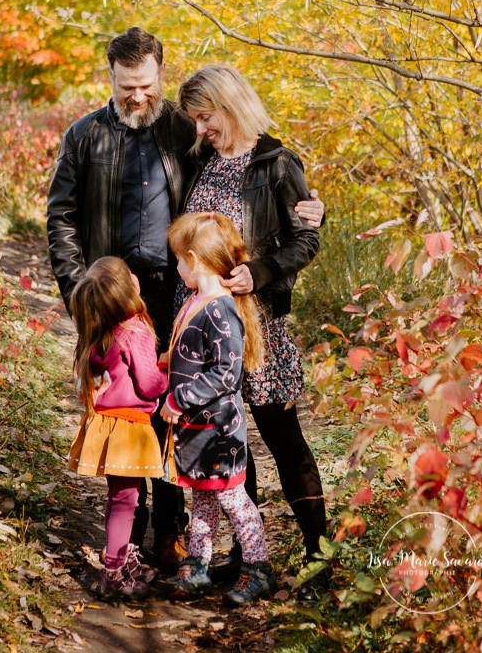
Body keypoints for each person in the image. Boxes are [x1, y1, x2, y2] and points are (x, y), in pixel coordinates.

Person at [47, 27, 324, 566]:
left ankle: (246, 546)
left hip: (225, 309)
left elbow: (276, 201)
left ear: (161, 75)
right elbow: (60, 217)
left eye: (147, 85)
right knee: (151, 414)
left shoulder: (186, 132)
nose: (137, 96)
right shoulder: (87, 136)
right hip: (137, 303)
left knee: (247, 431)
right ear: (109, 77)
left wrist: (310, 213)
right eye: (127, 86)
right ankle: (145, 540)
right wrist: (81, 296)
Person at [176, 65, 328, 601]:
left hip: (258, 327)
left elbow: (304, 241)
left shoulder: (278, 163)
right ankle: (248, 559)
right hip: (205, 331)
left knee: (285, 442)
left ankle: (318, 559)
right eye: (194, 119)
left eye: (205, 116)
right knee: (228, 443)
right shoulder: (203, 160)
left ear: (230, 104)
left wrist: (257, 273)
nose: (200, 129)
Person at [160, 212, 277, 607]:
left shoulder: (220, 309)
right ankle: (198, 565)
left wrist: (179, 398)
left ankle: (258, 568)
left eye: (178, 260)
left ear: (194, 259)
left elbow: (226, 374)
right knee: (204, 500)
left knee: (235, 503)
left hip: (219, 434)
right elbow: (194, 353)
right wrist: (167, 363)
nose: (176, 267)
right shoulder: (198, 300)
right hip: (198, 433)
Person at [67, 257, 168, 600]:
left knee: (117, 496)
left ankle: (124, 559)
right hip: (129, 427)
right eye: (130, 275)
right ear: (126, 290)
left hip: (107, 424)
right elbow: (151, 384)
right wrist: (167, 368)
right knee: (127, 500)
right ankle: (113, 571)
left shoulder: (100, 331)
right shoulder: (134, 330)